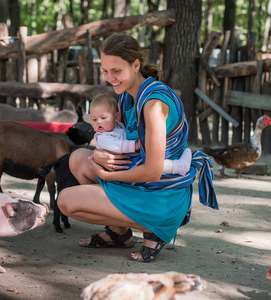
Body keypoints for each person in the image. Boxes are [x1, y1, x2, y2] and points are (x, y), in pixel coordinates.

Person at [57, 33, 218, 263]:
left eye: (116, 71)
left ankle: (156, 228)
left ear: (135, 65)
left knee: (65, 201)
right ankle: (119, 233)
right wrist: (99, 157)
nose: (110, 78)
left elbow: (152, 170)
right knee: (79, 158)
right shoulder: (125, 97)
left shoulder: (153, 104)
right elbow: (116, 140)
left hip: (161, 194)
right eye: (105, 70)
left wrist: (105, 174)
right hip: (141, 183)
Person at [90, 93, 192, 176]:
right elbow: (116, 146)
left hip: (127, 160)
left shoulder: (119, 126)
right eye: (94, 119)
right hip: (119, 166)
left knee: (150, 164)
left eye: (103, 118)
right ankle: (179, 167)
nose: (98, 122)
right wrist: (135, 145)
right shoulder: (102, 137)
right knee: (152, 166)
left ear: (116, 117)